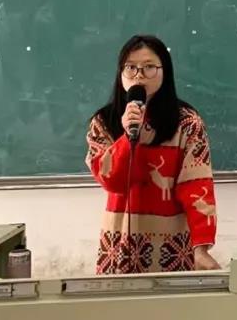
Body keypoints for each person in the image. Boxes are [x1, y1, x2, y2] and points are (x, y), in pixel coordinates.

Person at [85, 34, 220, 274]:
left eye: (149, 67)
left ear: (164, 71)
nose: (139, 75)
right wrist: (127, 137)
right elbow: (111, 180)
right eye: (131, 67)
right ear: (120, 73)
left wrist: (201, 248)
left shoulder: (187, 123)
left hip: (172, 247)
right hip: (119, 247)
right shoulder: (104, 121)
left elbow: (197, 185)